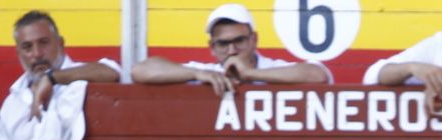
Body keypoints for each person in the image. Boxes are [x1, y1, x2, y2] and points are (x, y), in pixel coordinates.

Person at [131, 4, 331, 95]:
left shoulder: (272, 68)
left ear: (254, 39)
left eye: (239, 40)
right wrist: (197, 73)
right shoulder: (205, 72)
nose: (232, 50)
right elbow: (141, 70)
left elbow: (317, 74)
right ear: (212, 47)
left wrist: (250, 73)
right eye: (223, 44)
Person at [0, 9, 121, 140]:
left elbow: (111, 72)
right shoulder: (12, 103)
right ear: (19, 53)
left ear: (60, 44)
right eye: (27, 47)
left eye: (44, 42)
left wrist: (52, 78)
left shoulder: (80, 75)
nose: (37, 53)